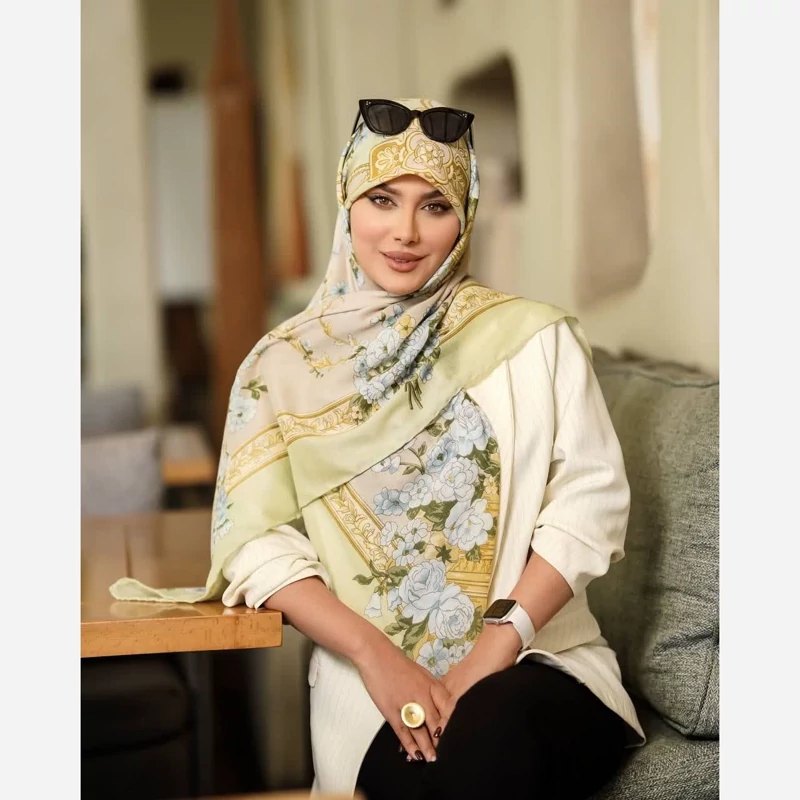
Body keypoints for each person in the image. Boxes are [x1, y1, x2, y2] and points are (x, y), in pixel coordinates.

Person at [112, 97, 645, 799]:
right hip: (369, 692)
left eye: (435, 206)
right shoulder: (283, 366)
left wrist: (492, 650)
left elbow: (589, 507)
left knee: (491, 739)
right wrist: (376, 656)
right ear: (347, 202)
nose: (405, 232)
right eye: (382, 200)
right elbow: (255, 542)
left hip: (541, 662)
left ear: (466, 217)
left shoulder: (535, 340)